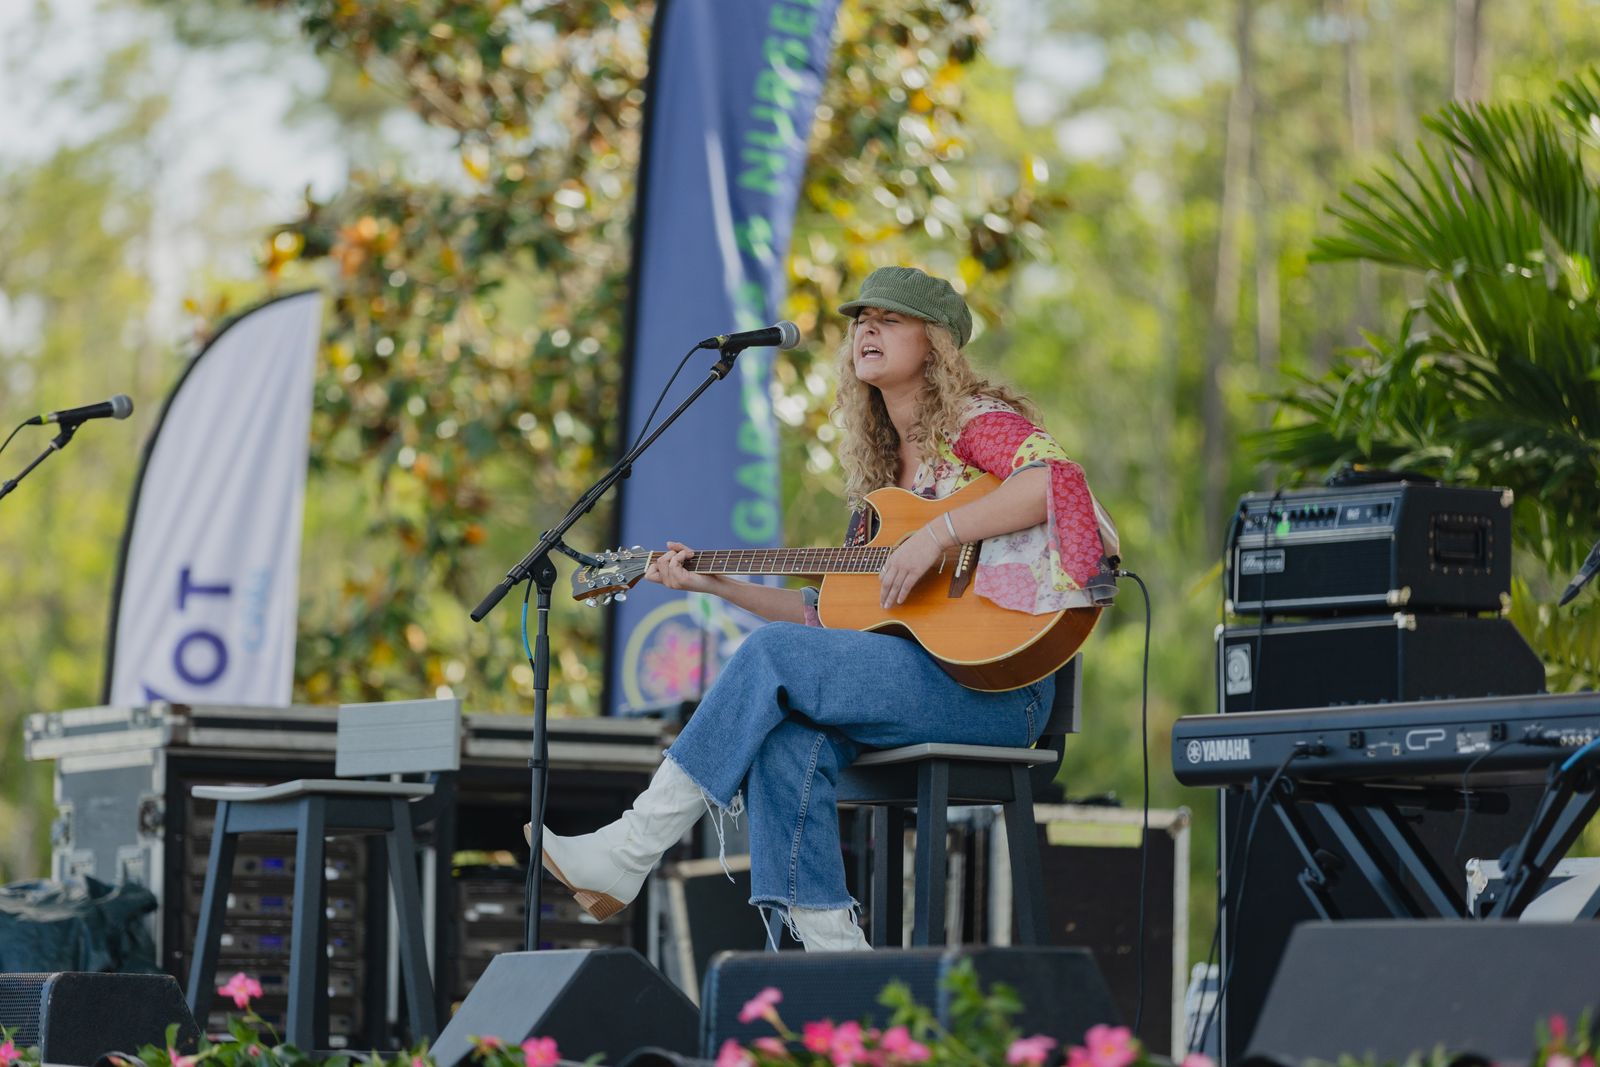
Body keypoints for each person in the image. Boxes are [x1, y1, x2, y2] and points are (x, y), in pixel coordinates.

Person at [532, 266, 1118, 950]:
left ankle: (631, 847)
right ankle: (838, 959)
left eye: (890, 319)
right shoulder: (882, 490)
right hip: (908, 683)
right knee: (785, 740)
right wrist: (717, 584)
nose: (867, 329)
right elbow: (828, 622)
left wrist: (938, 534)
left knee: (771, 659)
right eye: (861, 319)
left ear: (935, 343)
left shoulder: (973, 422)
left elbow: (1054, 481)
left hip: (997, 692)